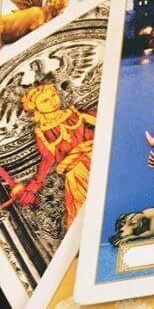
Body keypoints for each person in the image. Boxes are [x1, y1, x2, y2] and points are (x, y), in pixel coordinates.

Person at [9, 84, 95, 227]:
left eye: (53, 95)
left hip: (94, 155)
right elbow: (48, 160)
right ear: (34, 107)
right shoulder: (42, 132)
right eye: (44, 101)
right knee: (85, 207)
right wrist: (33, 187)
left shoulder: (75, 113)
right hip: (76, 172)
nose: (52, 101)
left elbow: (106, 123)